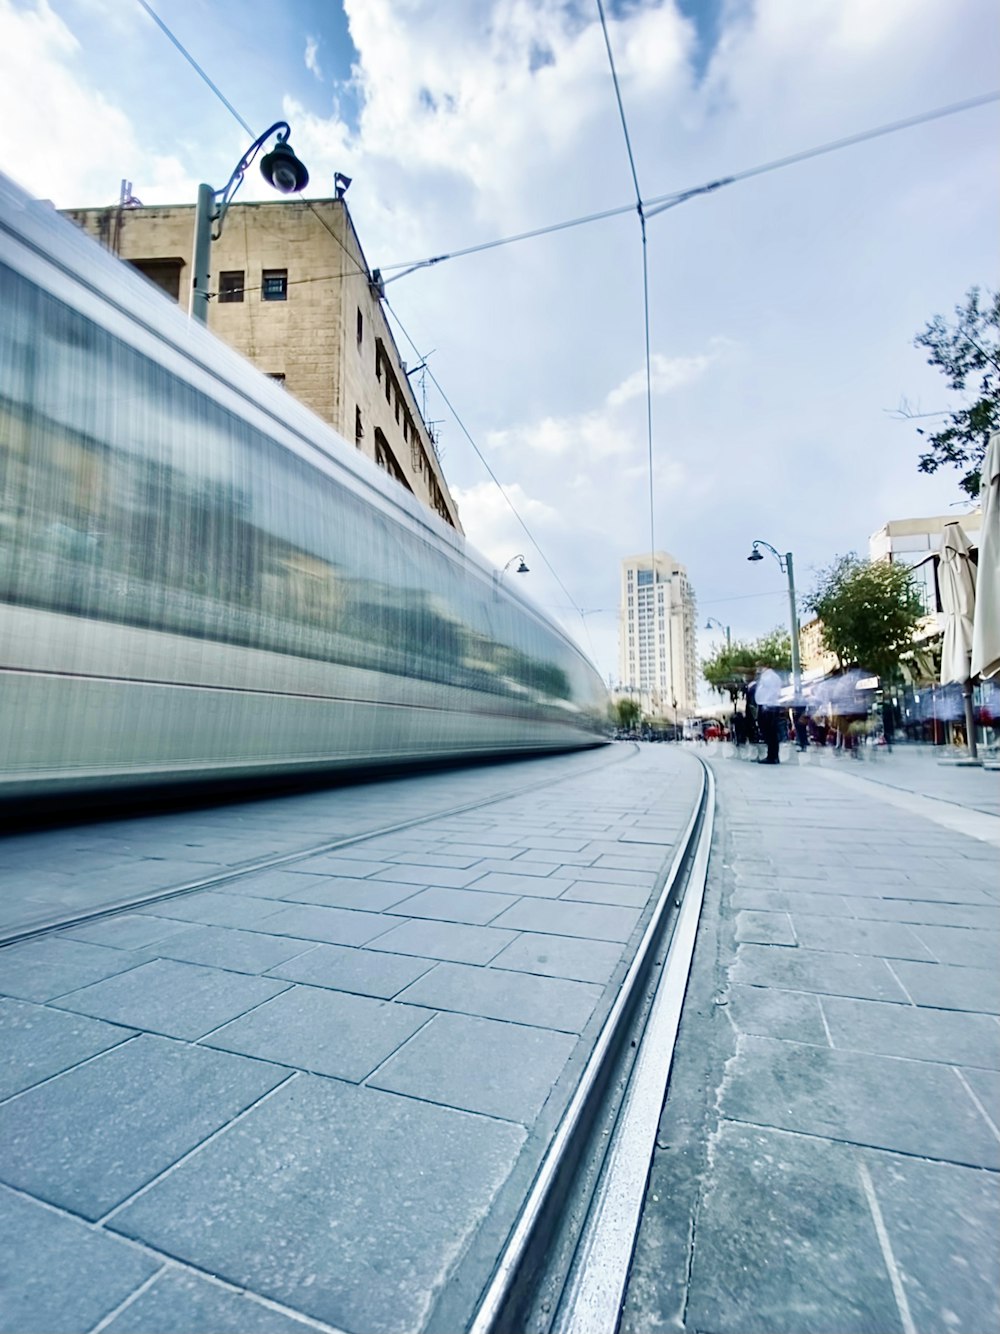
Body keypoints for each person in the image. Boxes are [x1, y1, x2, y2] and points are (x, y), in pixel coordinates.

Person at [754, 661, 783, 764]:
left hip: (768, 706)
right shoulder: (771, 676)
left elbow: (771, 692)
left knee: (769, 731)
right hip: (769, 705)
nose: (757, 669)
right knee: (770, 731)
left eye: (759, 666)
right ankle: (772, 755)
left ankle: (772, 756)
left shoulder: (768, 676)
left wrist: (766, 705)